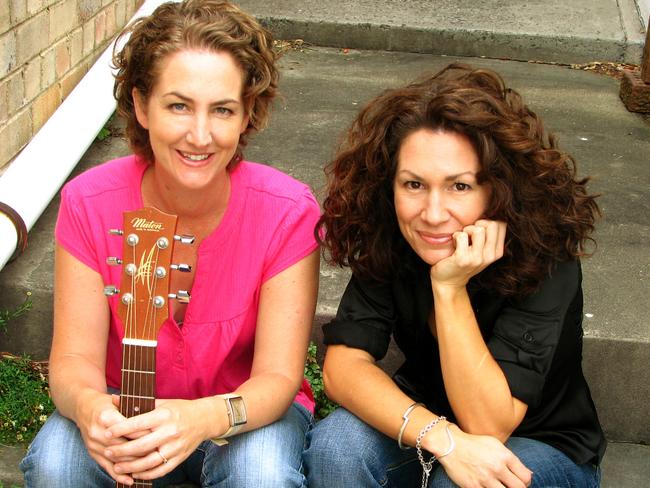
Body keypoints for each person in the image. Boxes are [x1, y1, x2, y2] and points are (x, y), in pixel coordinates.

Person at [20, 1, 320, 487]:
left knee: (261, 473)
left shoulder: (286, 212)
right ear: (141, 105)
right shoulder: (88, 202)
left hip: (240, 413)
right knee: (58, 463)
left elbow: (277, 380)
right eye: (178, 105)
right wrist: (92, 409)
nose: (199, 135)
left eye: (222, 109)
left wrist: (198, 420)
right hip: (126, 400)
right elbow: (75, 359)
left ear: (247, 114)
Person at [304, 63, 605, 487]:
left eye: (459, 186)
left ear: (498, 190)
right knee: (337, 445)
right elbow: (342, 367)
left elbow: (489, 424)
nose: (432, 213)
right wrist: (444, 439)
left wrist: (448, 287)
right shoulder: (394, 237)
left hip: (543, 445)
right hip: (435, 425)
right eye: (413, 185)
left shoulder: (546, 259)